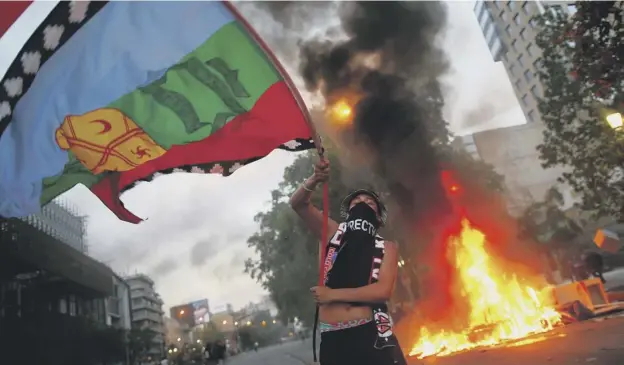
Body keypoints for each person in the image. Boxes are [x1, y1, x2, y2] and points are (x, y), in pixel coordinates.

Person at [290, 158, 407, 365]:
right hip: (334, 339)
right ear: (348, 213)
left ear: (378, 218)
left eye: (370, 204)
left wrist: (332, 295)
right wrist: (315, 179)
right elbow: (298, 204)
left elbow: (382, 291)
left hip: (369, 333)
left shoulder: (386, 247)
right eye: (357, 202)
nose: (363, 204)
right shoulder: (331, 232)